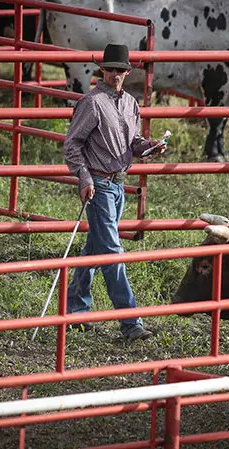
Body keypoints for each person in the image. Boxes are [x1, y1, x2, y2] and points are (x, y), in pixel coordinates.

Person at [63, 43, 166, 341]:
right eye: (110, 69)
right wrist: (84, 178)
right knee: (111, 252)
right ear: (102, 70)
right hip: (99, 185)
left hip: (117, 184)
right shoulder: (91, 103)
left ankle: (74, 310)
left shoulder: (131, 103)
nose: (115, 74)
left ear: (127, 72)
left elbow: (133, 141)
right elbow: (72, 144)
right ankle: (130, 322)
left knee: (95, 248)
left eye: (120, 69)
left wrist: (149, 147)